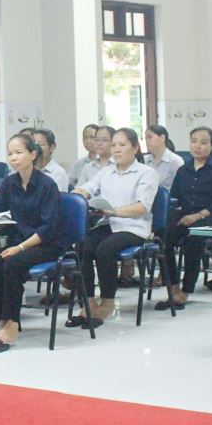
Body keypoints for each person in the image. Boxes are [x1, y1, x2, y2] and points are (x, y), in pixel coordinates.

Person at [0, 134, 66, 354]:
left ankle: (12, 325)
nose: (13, 158)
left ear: (33, 154)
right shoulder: (10, 183)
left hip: (46, 244)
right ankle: (1, 322)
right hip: (19, 242)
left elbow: (48, 229)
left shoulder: (47, 184)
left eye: (19, 152)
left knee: (12, 264)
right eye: (10, 153)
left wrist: (20, 247)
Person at [70, 128, 160, 325]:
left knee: (106, 248)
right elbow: (87, 188)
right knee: (83, 244)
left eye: (122, 145)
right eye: (113, 145)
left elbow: (142, 207)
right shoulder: (107, 171)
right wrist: (76, 195)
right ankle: (88, 301)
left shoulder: (146, 173)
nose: (116, 149)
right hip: (109, 223)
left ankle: (107, 301)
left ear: (135, 148)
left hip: (135, 227)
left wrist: (113, 211)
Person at [157, 126, 212, 311]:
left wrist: (198, 215)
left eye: (203, 142)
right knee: (163, 236)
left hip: (210, 218)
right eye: (194, 141)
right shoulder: (184, 170)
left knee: (193, 238)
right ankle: (173, 286)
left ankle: (186, 290)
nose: (198, 146)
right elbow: (175, 197)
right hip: (186, 216)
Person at [144, 125, 184, 191]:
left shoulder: (175, 161)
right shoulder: (145, 159)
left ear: (162, 138)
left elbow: (182, 187)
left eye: (150, 137)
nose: (147, 141)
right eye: (146, 138)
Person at [68, 124, 100, 188]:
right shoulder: (78, 164)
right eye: (85, 138)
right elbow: (70, 184)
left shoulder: (106, 163)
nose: (88, 141)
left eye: (92, 137)